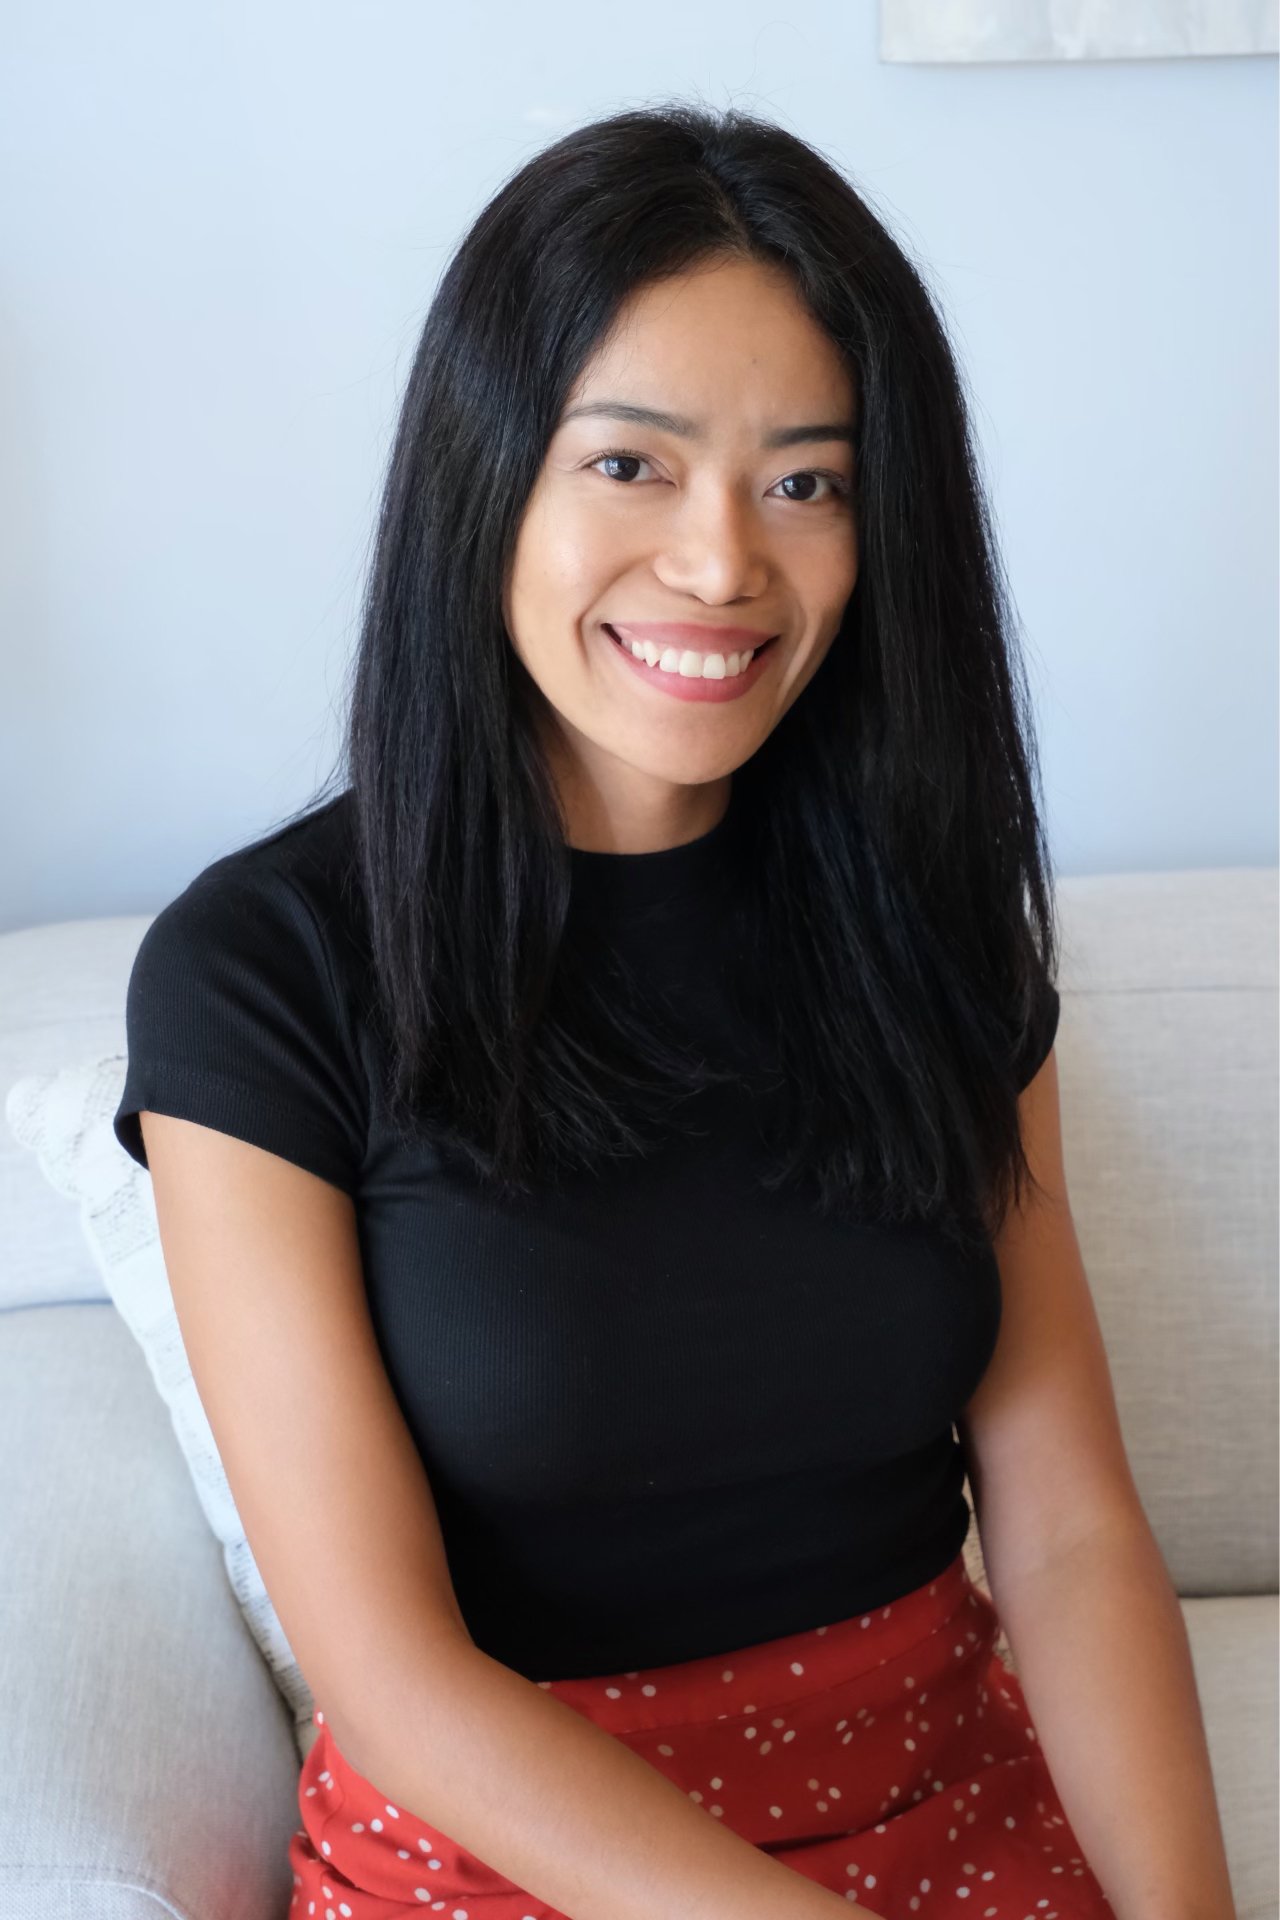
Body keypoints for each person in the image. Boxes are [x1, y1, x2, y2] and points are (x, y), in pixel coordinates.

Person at [113, 101, 1236, 1920]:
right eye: (631, 465)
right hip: (510, 1858)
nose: (723, 563)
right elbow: (390, 1677)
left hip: (939, 1803)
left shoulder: (933, 919)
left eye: (806, 483)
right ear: (488, 476)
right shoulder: (265, 969)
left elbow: (1068, 1524)